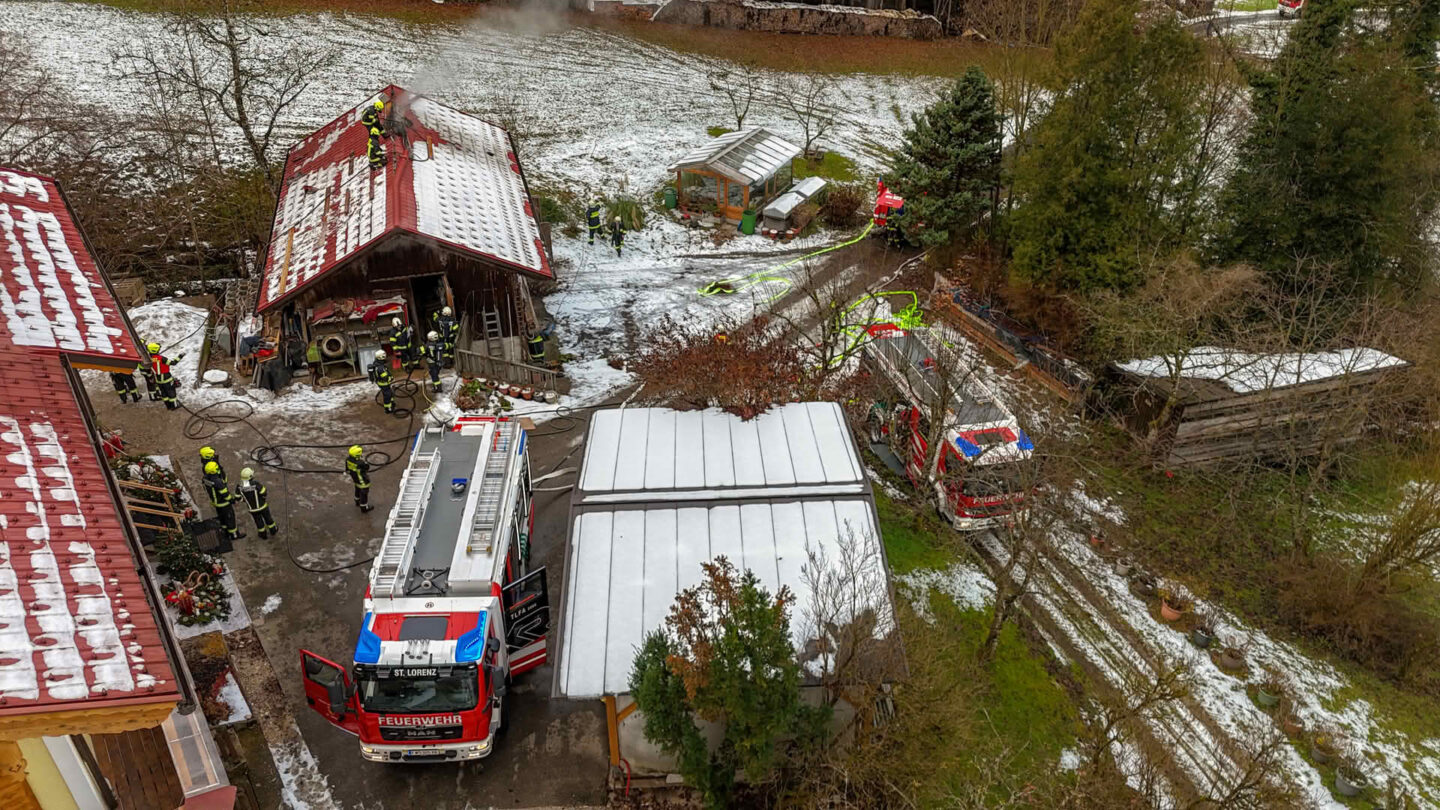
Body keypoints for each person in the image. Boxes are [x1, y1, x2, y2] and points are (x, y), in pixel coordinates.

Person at [203, 461, 242, 541]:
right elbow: (225, 494)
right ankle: (234, 535)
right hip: (224, 503)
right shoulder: (218, 481)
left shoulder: (205, 479)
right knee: (230, 518)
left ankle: (225, 532)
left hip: (215, 503)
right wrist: (232, 500)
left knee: (222, 518)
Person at [236, 467, 277, 539]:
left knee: (258, 522)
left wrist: (244, 500)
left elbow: (237, 497)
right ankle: (273, 530)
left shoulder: (239, 486)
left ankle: (263, 534)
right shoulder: (255, 484)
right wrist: (263, 498)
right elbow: (263, 492)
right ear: (251, 476)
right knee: (268, 519)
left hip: (253, 509)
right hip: (263, 506)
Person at [147, 342, 181, 411]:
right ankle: (174, 406)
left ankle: (168, 406)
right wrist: (180, 356)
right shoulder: (162, 358)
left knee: (164, 393)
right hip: (166, 378)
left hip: (158, 379)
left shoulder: (149, 359)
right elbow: (173, 363)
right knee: (171, 392)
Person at [347, 445, 374, 512]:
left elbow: (347, 469)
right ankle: (364, 507)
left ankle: (357, 501)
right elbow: (367, 467)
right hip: (363, 481)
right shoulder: (360, 463)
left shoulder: (348, 460)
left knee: (357, 489)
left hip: (355, 479)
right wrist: (366, 463)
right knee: (364, 493)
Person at [368, 349, 394, 414]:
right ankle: (387, 409)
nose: (385, 357)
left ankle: (392, 403)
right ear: (381, 357)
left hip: (382, 383)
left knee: (390, 392)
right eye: (384, 356)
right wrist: (390, 378)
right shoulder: (380, 368)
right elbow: (385, 378)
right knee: (387, 395)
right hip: (383, 383)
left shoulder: (378, 363)